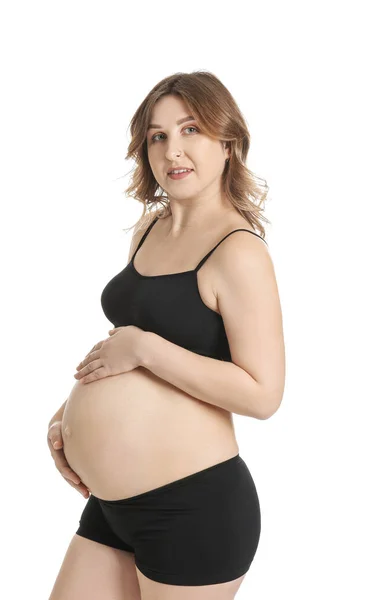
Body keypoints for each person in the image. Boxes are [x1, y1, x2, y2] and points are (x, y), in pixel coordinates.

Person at [47, 70, 285, 600]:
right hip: (111, 507)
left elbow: (264, 394)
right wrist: (69, 418)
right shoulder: (148, 229)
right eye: (158, 136)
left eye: (191, 129)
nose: (172, 150)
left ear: (227, 142)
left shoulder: (238, 251)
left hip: (192, 508)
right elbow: (125, 349)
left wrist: (147, 350)